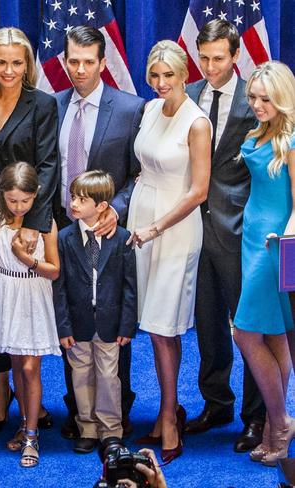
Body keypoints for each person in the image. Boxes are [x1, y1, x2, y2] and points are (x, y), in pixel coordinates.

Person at [0, 26, 58, 438]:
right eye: (0, 62)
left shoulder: (44, 104)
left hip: (26, 225)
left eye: (17, 62)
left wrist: (31, 227)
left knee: (25, 315)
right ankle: (2, 394)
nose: (8, 70)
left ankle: (29, 399)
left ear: (28, 65)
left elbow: (49, 165)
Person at [53, 25, 145, 441]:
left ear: (103, 63)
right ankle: (78, 412)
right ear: (64, 60)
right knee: (70, 324)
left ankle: (115, 418)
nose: (80, 70)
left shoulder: (129, 108)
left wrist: (116, 211)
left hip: (108, 233)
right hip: (62, 233)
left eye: (89, 62)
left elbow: (139, 174)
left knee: (108, 323)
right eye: (73, 61)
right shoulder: (51, 106)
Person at [127, 40, 211, 463]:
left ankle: (169, 416)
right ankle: (166, 409)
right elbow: (142, 168)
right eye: (154, 75)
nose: (161, 83)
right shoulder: (148, 110)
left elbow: (199, 191)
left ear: (184, 76)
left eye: (169, 76)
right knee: (150, 323)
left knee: (164, 326)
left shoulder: (197, 123)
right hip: (141, 217)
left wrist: (156, 227)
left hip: (174, 228)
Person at [184, 19, 265, 452]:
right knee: (208, 323)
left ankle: (256, 417)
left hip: (241, 231)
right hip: (194, 230)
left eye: (219, 58)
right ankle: (217, 404)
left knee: (249, 325)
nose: (211, 66)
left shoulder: (256, 101)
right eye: (204, 58)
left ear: (236, 56)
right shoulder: (190, 93)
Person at [0, 162, 60, 468]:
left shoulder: (45, 223)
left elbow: (54, 270)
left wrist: (26, 258)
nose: (19, 206)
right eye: (13, 201)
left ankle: (33, 436)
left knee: (29, 367)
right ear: (2, 196)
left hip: (33, 295)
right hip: (5, 293)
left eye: (26, 200)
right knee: (15, 364)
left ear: (36, 195)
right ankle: (24, 422)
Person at [232, 61, 295, 467]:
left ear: (282, 97)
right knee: (274, 335)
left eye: (265, 98)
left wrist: (287, 239)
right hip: (252, 239)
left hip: (278, 244)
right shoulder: (259, 133)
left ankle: (280, 421)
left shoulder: (291, 142)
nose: (256, 104)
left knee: (245, 333)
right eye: (252, 97)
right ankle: (275, 427)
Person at [54, 170, 137, 454]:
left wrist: (127, 325)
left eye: (82, 199)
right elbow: (60, 287)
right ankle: (87, 427)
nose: (74, 203)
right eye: (73, 197)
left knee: (109, 377)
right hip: (77, 324)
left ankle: (111, 429)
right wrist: (63, 327)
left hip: (110, 324)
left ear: (102, 206)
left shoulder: (122, 238)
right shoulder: (64, 238)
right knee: (80, 375)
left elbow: (129, 286)